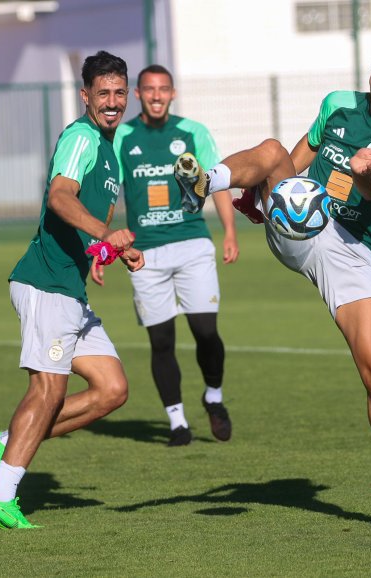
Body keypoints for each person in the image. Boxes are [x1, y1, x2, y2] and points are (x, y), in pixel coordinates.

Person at [173, 44, 371, 533]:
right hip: (301, 222)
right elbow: (298, 155)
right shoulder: (338, 104)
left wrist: (365, 172)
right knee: (271, 150)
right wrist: (266, 192)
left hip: (351, 251)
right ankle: (207, 184)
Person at [0, 51, 144, 530]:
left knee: (111, 389)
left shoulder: (110, 150)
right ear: (84, 95)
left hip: (71, 290)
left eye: (118, 93)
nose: (112, 102)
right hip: (46, 283)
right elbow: (59, 196)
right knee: (48, 389)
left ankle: (5, 443)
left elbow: (89, 224)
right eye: (102, 94)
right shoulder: (81, 137)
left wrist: (107, 252)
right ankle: (0, 495)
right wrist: (104, 235)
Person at [108, 64, 237, 446]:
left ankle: (213, 396)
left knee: (205, 331)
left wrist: (230, 230)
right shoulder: (121, 137)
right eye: (149, 89)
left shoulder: (193, 132)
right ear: (138, 94)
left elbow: (220, 183)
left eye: (164, 89)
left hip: (192, 243)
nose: (157, 95)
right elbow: (108, 192)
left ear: (173, 93)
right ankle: (177, 422)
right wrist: (101, 249)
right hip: (144, 253)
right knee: (161, 340)